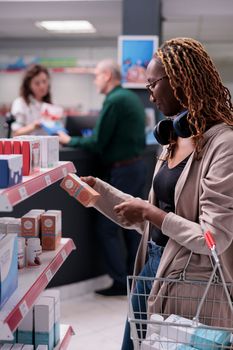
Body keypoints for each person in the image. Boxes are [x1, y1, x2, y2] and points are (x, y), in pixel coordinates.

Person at [80, 37, 233, 349]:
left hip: (190, 279)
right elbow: (149, 218)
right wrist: (100, 192)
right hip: (151, 266)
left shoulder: (224, 145)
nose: (149, 95)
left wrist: (153, 214)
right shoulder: (172, 140)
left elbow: (214, 238)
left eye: (152, 84)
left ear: (180, 80)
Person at [58, 59, 146, 296]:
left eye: (97, 74)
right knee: (131, 225)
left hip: (124, 170)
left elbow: (97, 142)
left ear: (107, 75)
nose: (95, 79)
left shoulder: (114, 100)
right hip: (136, 167)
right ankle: (133, 280)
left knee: (107, 227)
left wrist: (68, 141)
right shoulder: (128, 98)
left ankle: (120, 281)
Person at [11, 64, 52, 136]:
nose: (42, 86)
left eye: (44, 81)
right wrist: (34, 126)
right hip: (29, 146)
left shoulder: (50, 104)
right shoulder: (20, 103)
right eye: (37, 83)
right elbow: (16, 133)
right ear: (28, 85)